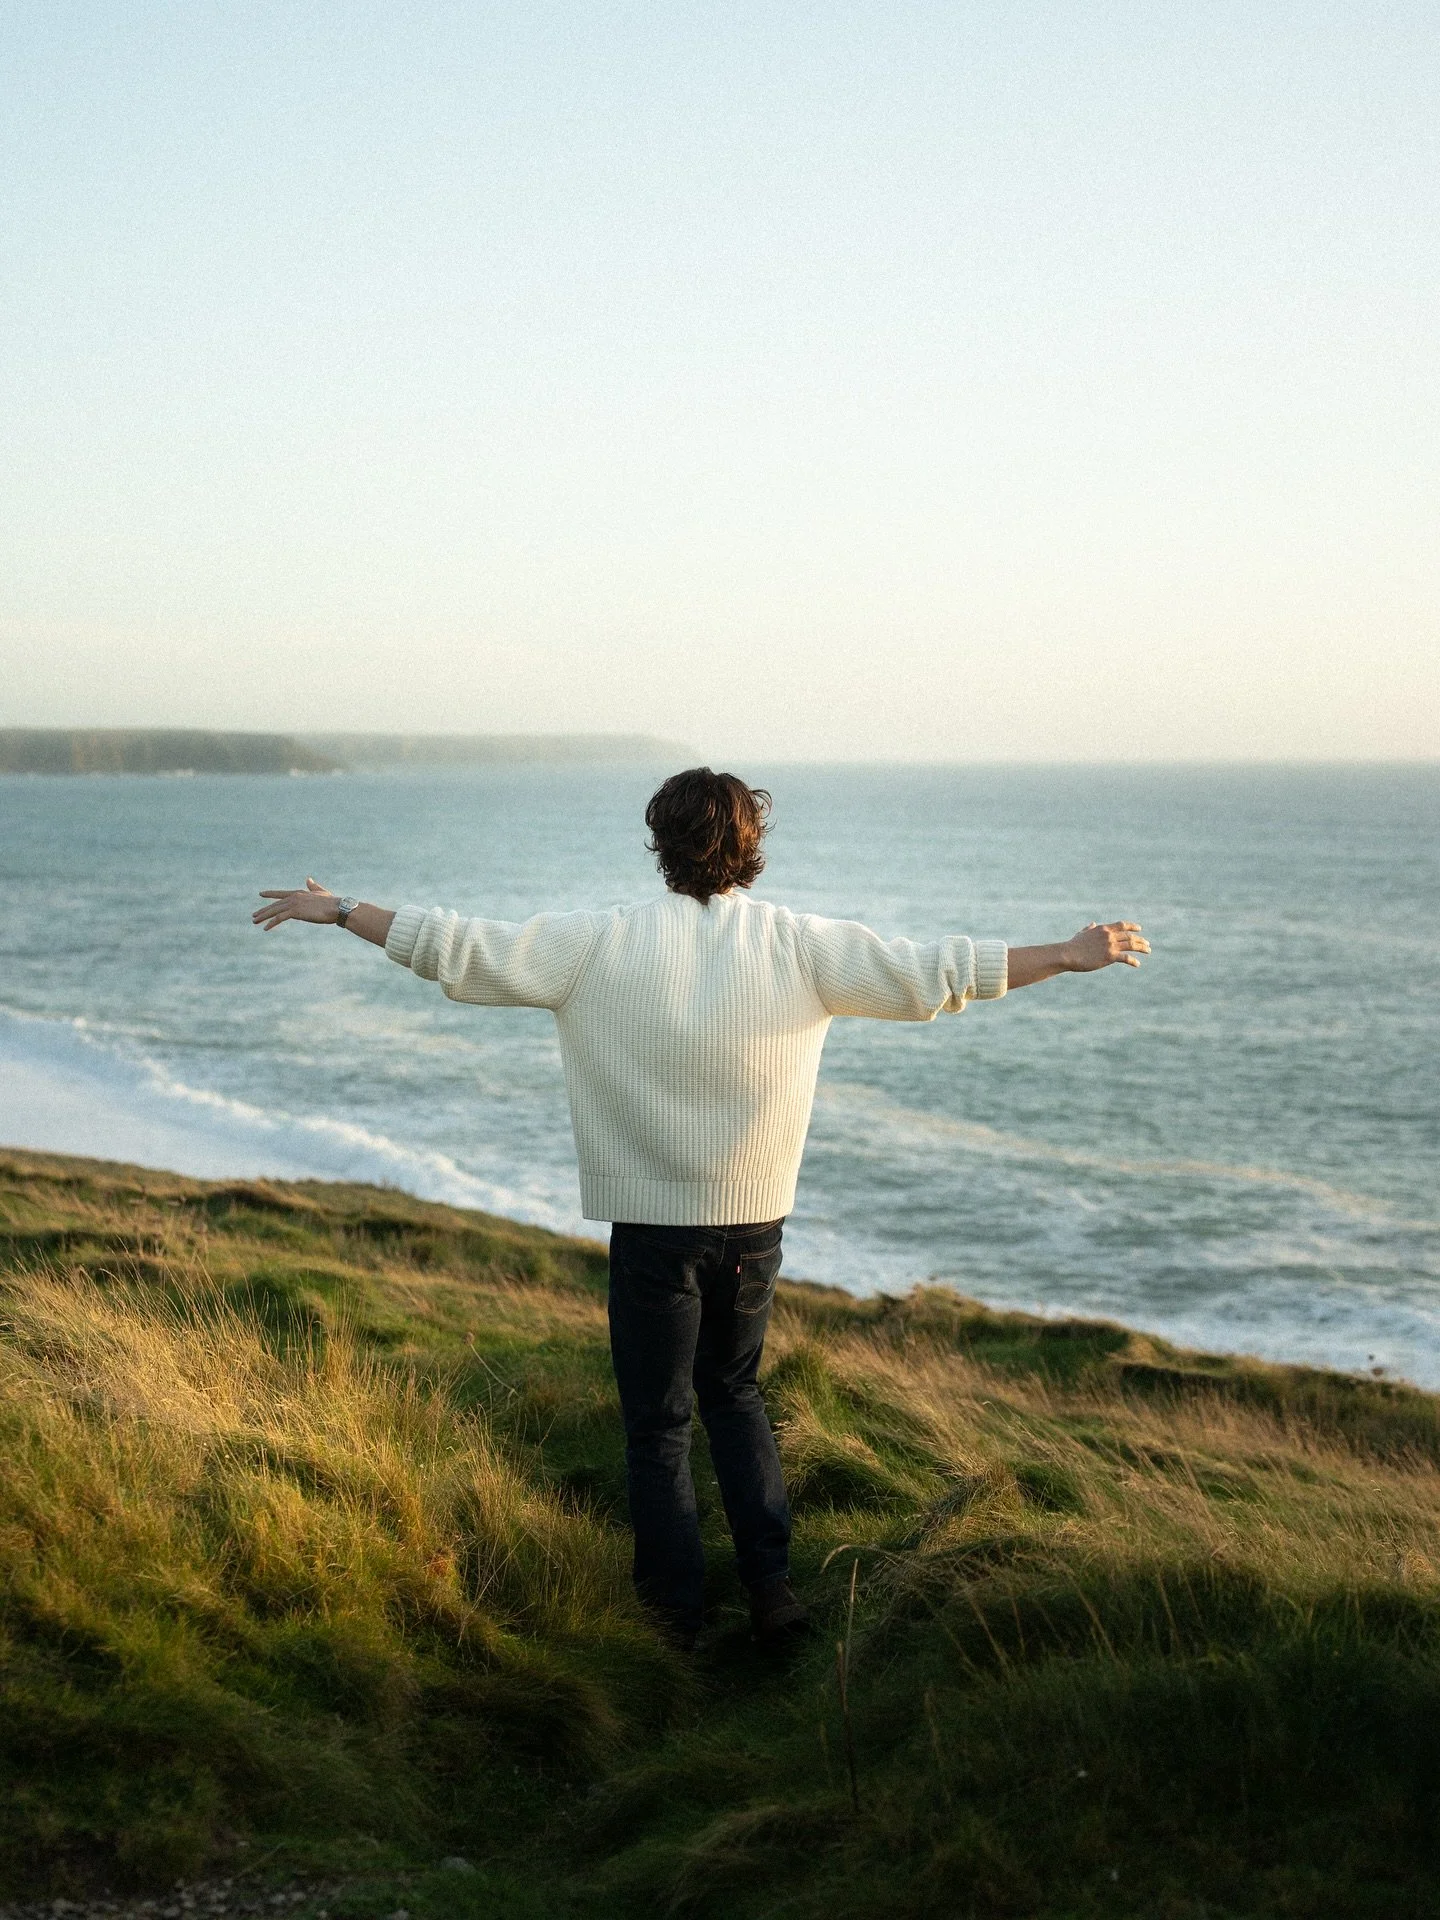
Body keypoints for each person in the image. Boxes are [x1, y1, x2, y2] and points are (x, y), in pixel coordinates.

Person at [253, 768, 1148, 1650]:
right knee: (736, 1396)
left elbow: (459, 947)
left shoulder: (599, 942)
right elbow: (936, 975)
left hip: (652, 1229)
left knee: (658, 1426)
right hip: (754, 1225)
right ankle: (772, 1592)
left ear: (661, 845)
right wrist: (1067, 955)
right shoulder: (798, 944)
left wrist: (340, 911)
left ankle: (675, 1620)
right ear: (750, 850)